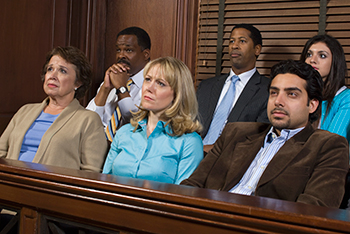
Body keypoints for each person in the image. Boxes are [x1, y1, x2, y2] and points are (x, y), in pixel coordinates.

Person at [181, 59, 349, 208]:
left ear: (312, 105)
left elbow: (313, 212)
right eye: (274, 93)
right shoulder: (235, 133)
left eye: (291, 94)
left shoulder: (329, 147)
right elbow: (192, 185)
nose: (278, 101)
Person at [0, 46, 108, 172]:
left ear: (78, 83)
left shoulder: (89, 120)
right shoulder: (25, 110)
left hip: (52, 190)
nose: (53, 75)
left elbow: (91, 172)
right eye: (50, 69)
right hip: (9, 184)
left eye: (62, 71)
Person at [103, 57, 203, 184]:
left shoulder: (189, 142)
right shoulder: (124, 132)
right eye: (148, 79)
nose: (149, 88)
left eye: (160, 83)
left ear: (177, 94)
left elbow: (183, 197)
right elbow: (104, 182)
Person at [197, 24, 271, 152]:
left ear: (257, 49)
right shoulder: (206, 86)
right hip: (191, 156)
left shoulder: (267, 90)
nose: (234, 46)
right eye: (231, 41)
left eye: (242, 41)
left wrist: (210, 149)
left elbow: (258, 138)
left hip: (230, 159)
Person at [86, 27, 151, 141]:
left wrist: (121, 88)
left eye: (128, 50)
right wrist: (105, 89)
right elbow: (87, 120)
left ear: (145, 54)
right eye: (118, 50)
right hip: (97, 147)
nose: (121, 56)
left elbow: (134, 120)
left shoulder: (154, 83)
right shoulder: (114, 79)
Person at [300, 34, 350, 145]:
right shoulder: (301, 95)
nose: (312, 60)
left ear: (335, 61)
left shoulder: (346, 98)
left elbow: (330, 143)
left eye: (322, 56)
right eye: (308, 54)